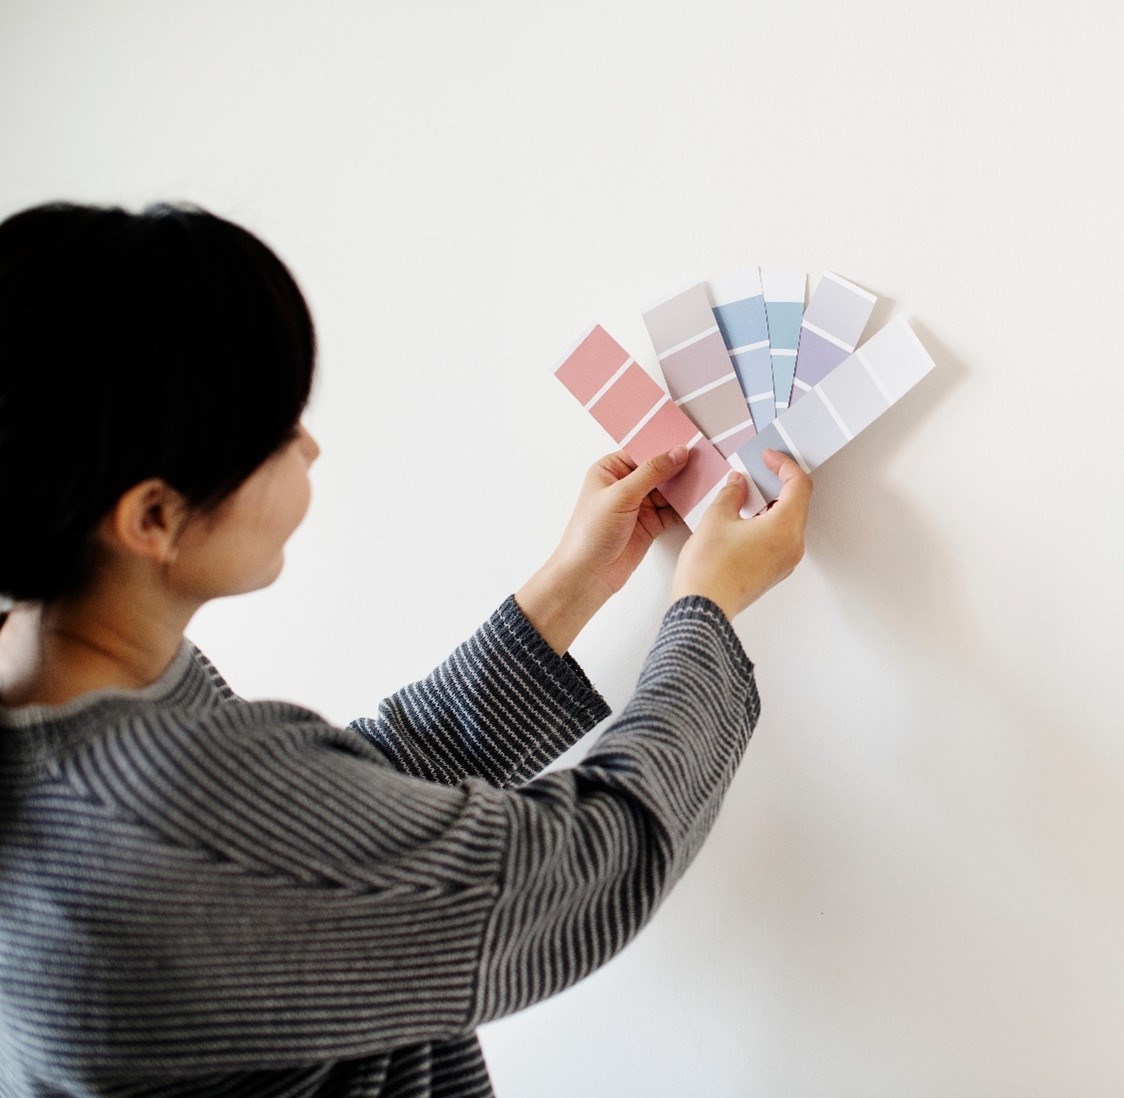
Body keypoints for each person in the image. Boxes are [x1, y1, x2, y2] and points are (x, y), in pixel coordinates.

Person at [0, 201, 811, 1097]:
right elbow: (587, 868)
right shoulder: (157, 809)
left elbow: (335, 822)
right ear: (152, 517)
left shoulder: (56, 696)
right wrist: (706, 606)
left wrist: (569, 585)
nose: (310, 445)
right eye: (276, 430)